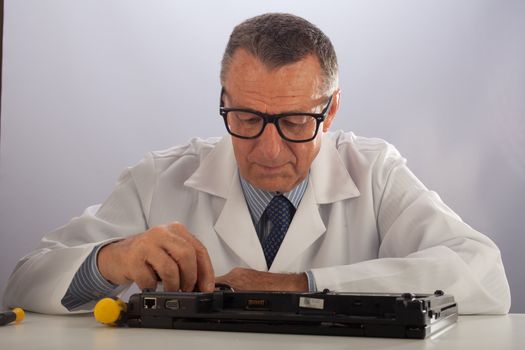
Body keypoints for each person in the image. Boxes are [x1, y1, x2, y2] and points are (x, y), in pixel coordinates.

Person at [3, 13, 511, 315]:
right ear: (222, 99)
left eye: (294, 122)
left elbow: (484, 277)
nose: (268, 151)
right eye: (246, 117)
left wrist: (296, 286)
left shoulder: (373, 172)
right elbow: (23, 282)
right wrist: (111, 258)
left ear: (330, 110)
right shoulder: (162, 177)